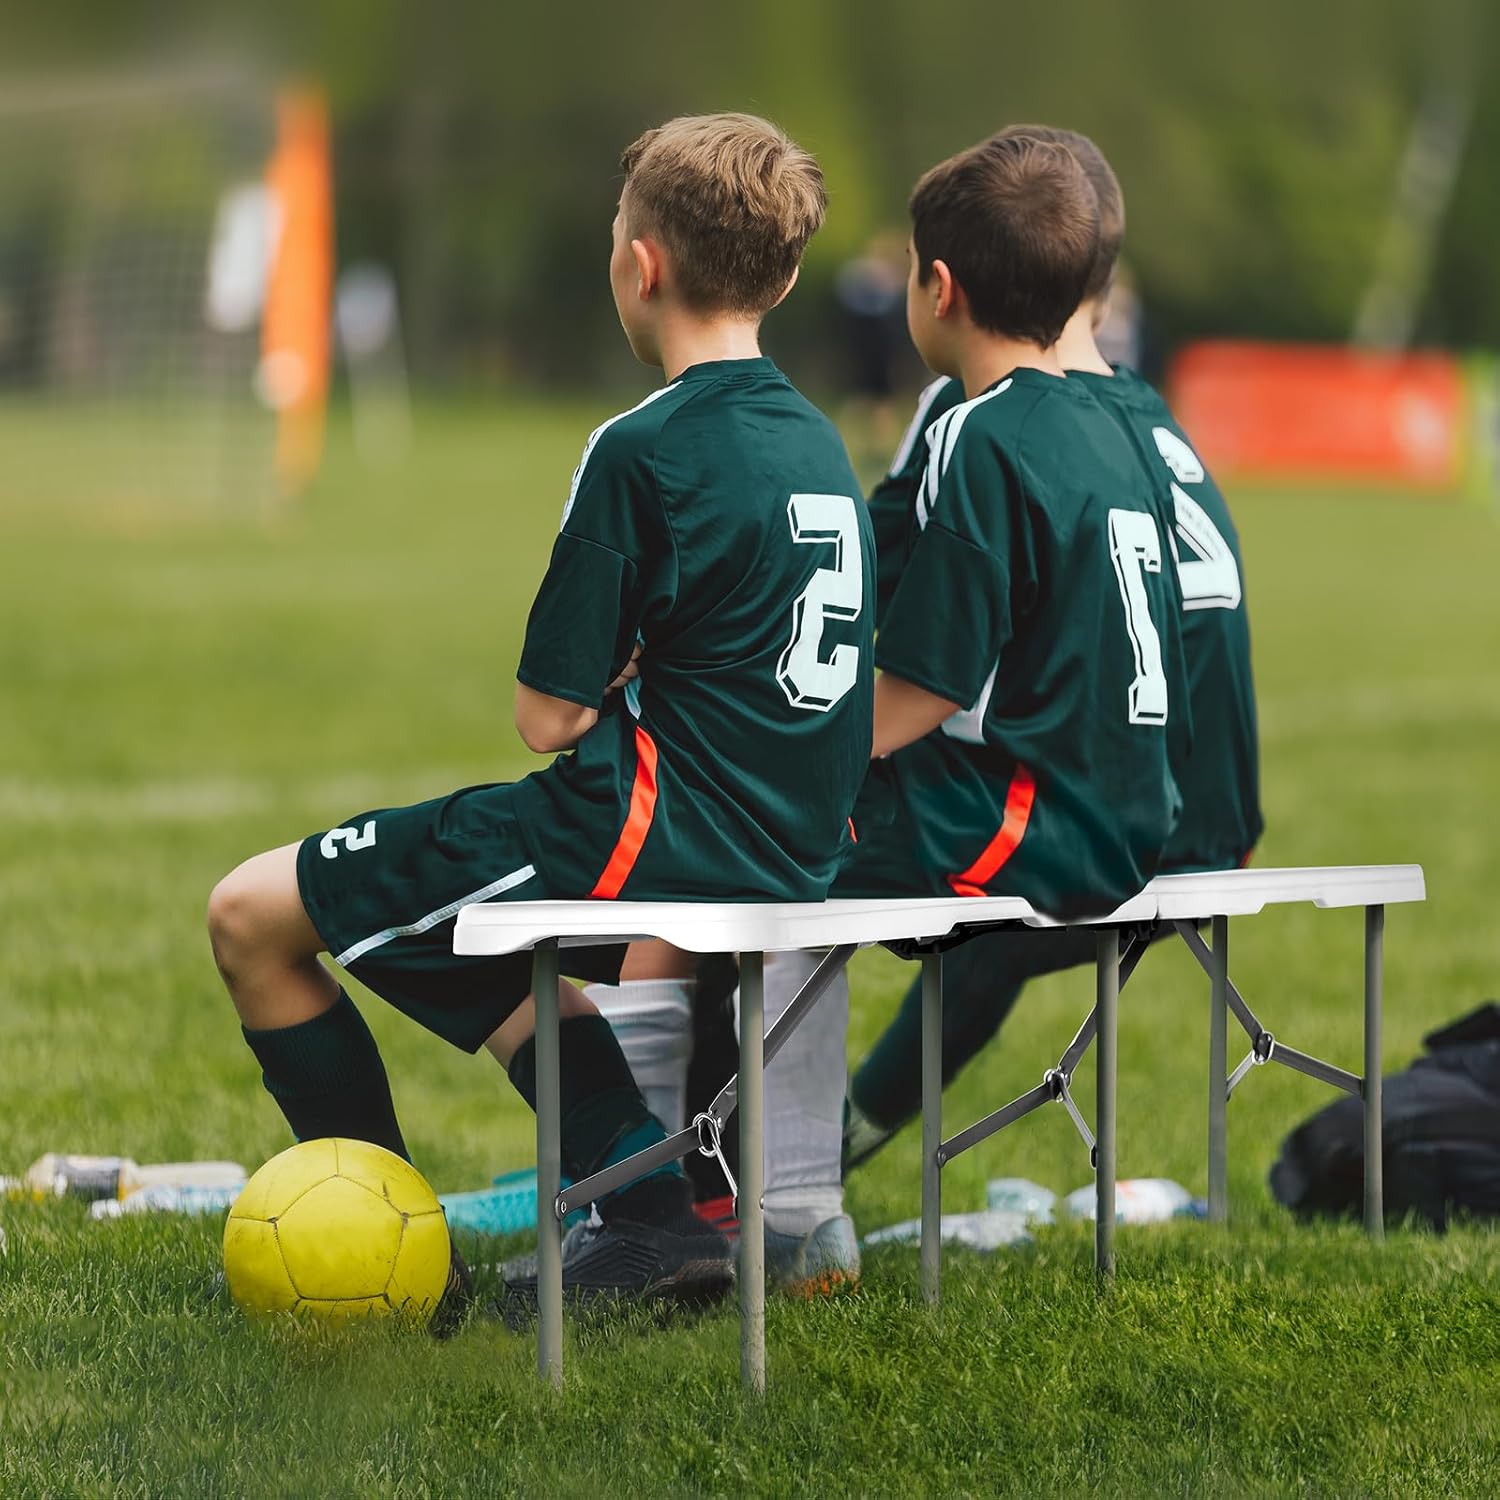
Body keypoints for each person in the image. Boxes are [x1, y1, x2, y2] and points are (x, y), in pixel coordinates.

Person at [205, 112, 875, 1323]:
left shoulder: (642, 446)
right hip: (787, 840)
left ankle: (409, 1267)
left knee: (251, 916)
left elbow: (546, 715)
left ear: (640, 265)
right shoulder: (821, 442)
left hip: (647, 831)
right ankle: (648, 1206)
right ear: (781, 276)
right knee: (502, 953)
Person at [844, 125, 1261, 1168]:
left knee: (753, 828)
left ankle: (710, 1172)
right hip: (1202, 810)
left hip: (1094, 817)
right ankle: (780, 1155)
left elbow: (879, 596)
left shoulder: (979, 418)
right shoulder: (1146, 422)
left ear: (943, 287)